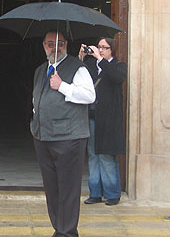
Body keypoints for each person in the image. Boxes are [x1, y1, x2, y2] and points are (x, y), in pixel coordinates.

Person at [31, 30, 95, 237]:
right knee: (52, 188)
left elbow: (89, 96)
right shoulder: (41, 70)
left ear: (66, 45)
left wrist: (63, 87)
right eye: (50, 44)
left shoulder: (78, 68)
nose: (55, 48)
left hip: (69, 138)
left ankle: (67, 232)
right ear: (44, 46)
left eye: (60, 43)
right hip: (43, 136)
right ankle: (60, 228)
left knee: (68, 189)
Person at [80, 37, 127, 206]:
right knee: (93, 155)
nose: (100, 50)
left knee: (107, 155)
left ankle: (112, 194)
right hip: (93, 117)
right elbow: (80, 78)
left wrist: (101, 60)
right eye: (98, 47)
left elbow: (116, 77)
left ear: (111, 50)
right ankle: (95, 192)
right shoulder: (93, 66)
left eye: (104, 47)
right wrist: (82, 58)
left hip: (109, 119)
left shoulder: (118, 66)